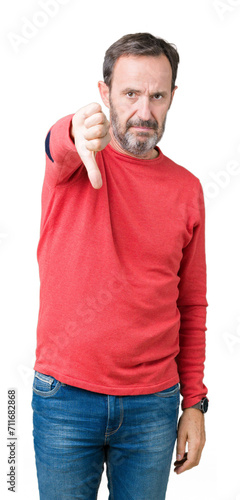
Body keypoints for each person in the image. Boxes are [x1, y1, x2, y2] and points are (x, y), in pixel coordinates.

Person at [31, 32, 209, 500]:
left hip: (153, 405)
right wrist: (73, 130)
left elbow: (191, 304)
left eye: (157, 95)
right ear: (104, 92)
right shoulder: (74, 162)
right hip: (65, 398)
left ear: (173, 97)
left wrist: (195, 403)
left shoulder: (187, 189)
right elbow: (58, 143)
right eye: (130, 94)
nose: (144, 112)